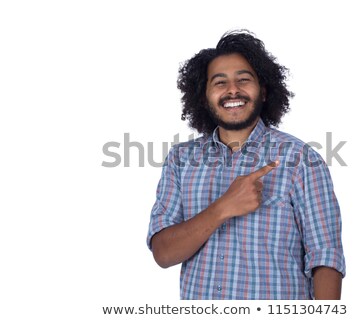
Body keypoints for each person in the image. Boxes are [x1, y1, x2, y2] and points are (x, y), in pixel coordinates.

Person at [147, 30, 346, 300]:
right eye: (220, 82)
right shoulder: (180, 160)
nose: (232, 90)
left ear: (263, 91)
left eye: (243, 80)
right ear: (204, 96)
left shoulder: (301, 158)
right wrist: (223, 207)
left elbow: (325, 256)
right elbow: (163, 253)